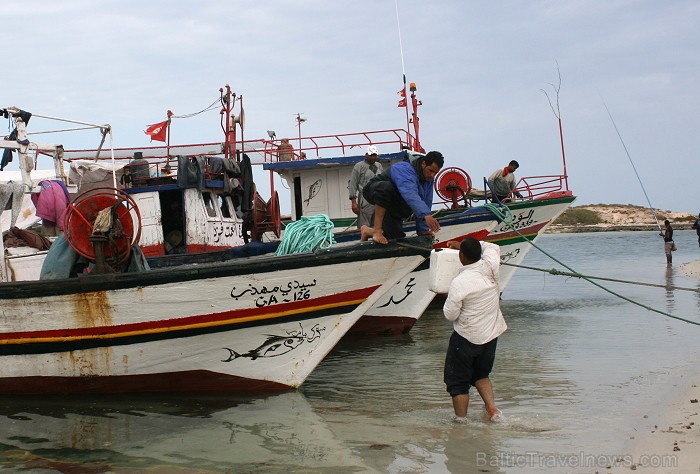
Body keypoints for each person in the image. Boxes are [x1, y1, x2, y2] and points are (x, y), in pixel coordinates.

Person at [443, 237, 506, 422]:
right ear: (479, 254)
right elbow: (493, 246)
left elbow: (450, 315)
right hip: (491, 335)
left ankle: (461, 421)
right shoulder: (491, 266)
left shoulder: (460, 282)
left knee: (458, 383)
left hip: (467, 337)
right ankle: (493, 411)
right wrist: (463, 244)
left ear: (461, 256)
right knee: (481, 374)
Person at [360, 151, 444, 245]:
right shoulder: (404, 168)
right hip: (374, 190)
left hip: (393, 203)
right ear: (423, 163)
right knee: (386, 188)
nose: (432, 175)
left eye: (435, 173)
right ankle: (377, 231)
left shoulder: (428, 179)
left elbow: (426, 202)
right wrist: (425, 214)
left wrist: (423, 231)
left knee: (394, 238)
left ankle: (367, 231)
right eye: (431, 171)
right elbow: (410, 194)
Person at [348, 145, 384, 229]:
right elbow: (353, 183)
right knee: (364, 224)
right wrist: (353, 202)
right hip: (365, 197)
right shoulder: (358, 166)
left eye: (374, 155)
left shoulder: (379, 166)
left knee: (378, 222)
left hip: (378, 197)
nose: (373, 157)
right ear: (366, 155)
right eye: (371, 155)